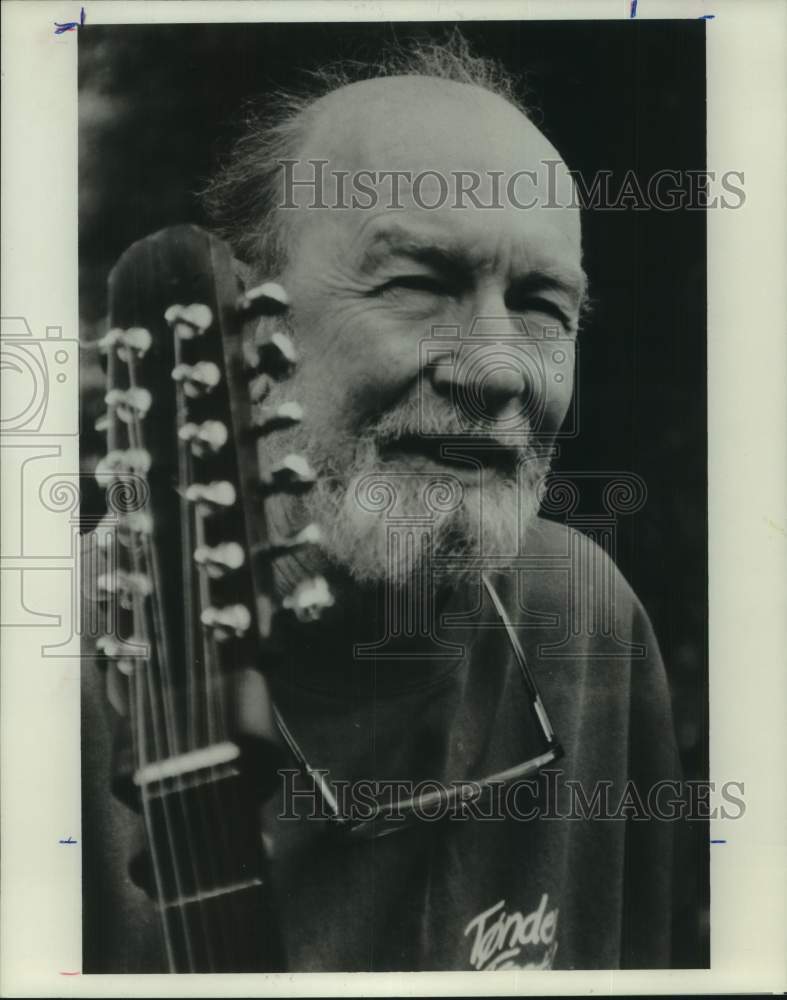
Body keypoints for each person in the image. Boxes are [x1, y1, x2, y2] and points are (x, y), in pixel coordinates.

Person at [83, 34, 689, 972]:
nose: (496, 371)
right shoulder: (52, 687)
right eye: (416, 284)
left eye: (541, 304)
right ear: (249, 333)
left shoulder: (585, 618)